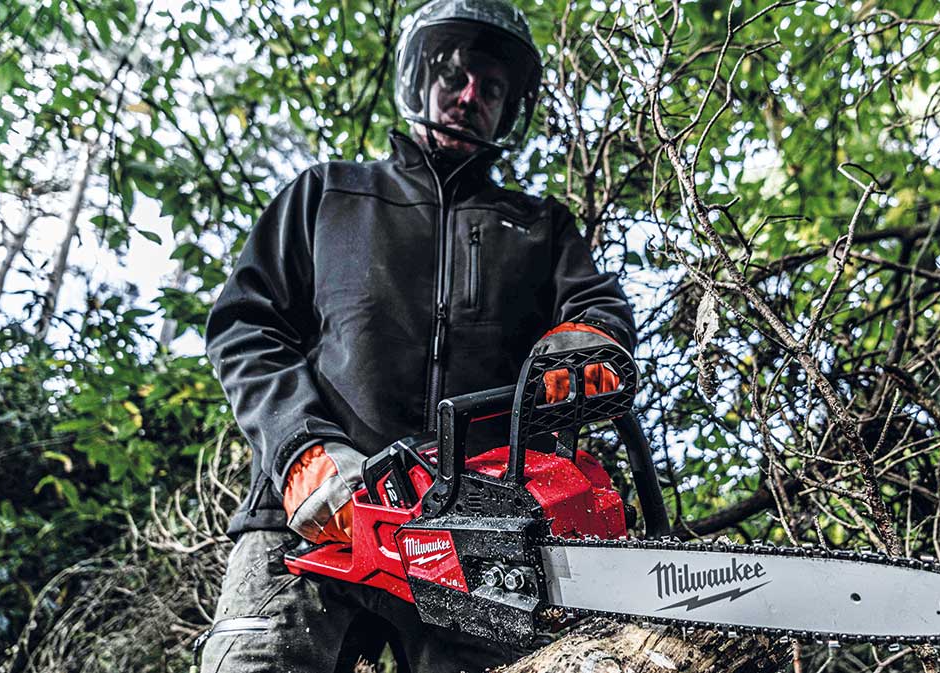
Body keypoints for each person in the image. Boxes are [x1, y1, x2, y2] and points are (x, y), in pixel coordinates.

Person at [197, 0, 637, 671]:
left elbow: (593, 304)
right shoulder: (329, 194)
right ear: (420, 77)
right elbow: (245, 323)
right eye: (457, 77)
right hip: (319, 518)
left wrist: (584, 342)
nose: (469, 97)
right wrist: (301, 447)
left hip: (480, 535)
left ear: (509, 107)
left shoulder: (539, 227)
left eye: (490, 89)